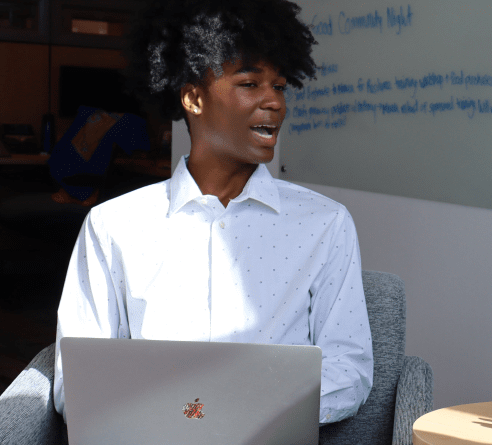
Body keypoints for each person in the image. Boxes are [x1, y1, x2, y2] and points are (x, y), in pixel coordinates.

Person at [53, 0, 373, 425]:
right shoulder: (114, 226)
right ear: (193, 98)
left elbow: (349, 371)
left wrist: (241, 411)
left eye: (278, 86)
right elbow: (73, 379)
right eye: (250, 83)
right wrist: (179, 415)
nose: (273, 102)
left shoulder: (325, 224)